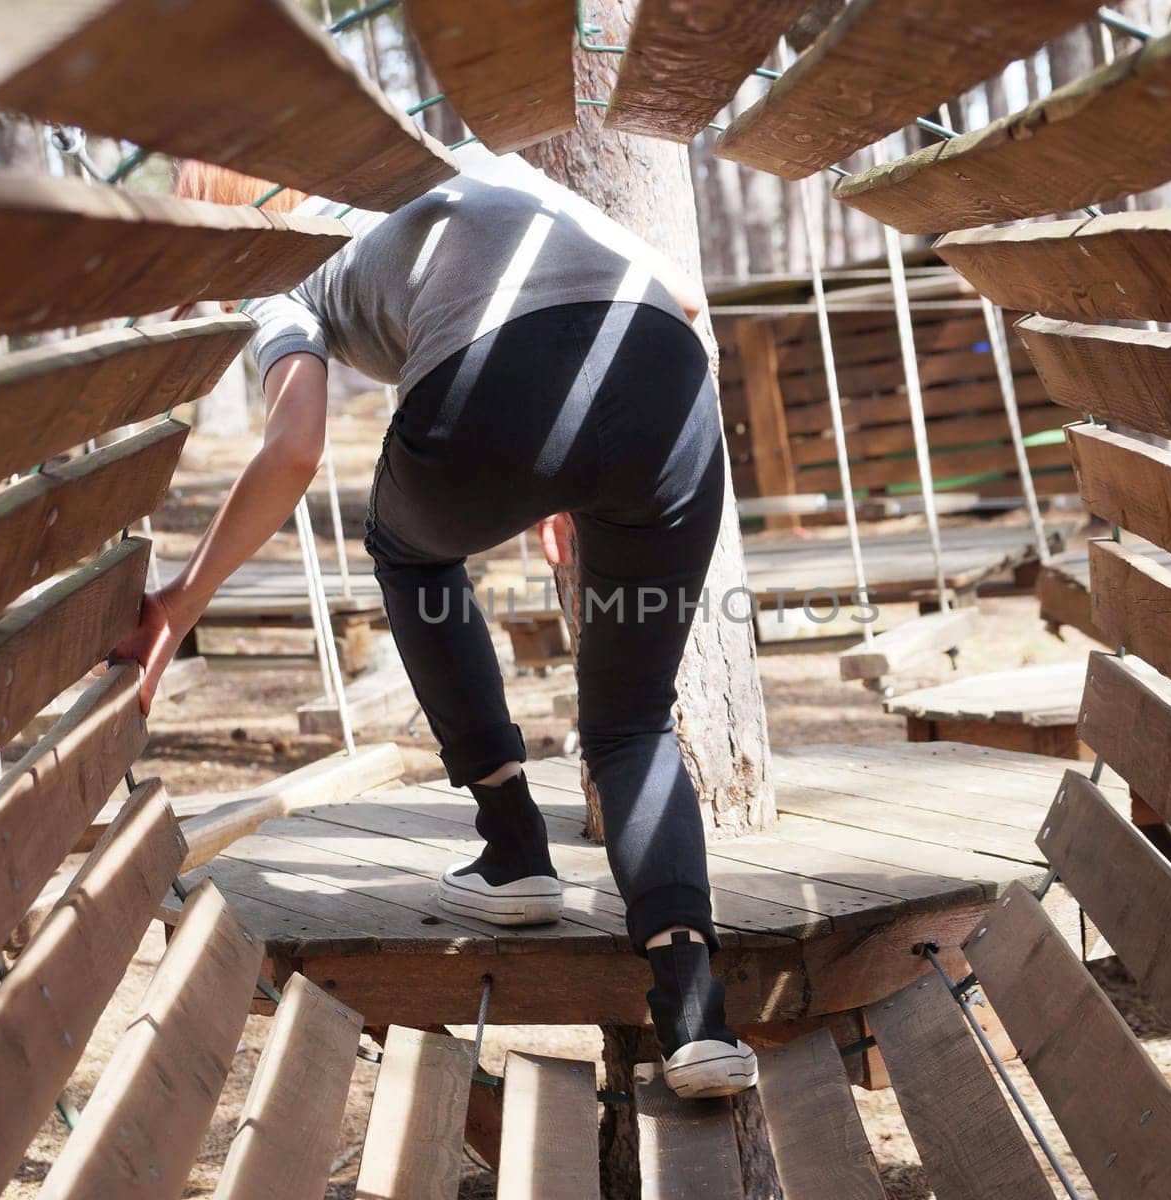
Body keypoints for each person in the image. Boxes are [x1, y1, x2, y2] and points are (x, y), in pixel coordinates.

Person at [114, 145, 757, 1098]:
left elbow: (293, 450)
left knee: (406, 545)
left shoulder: (283, 265)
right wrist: (568, 464)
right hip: (667, 386)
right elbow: (681, 300)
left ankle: (514, 848)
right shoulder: (475, 163)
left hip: (490, 393)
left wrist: (180, 602)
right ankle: (696, 1017)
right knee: (632, 722)